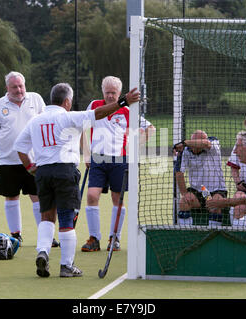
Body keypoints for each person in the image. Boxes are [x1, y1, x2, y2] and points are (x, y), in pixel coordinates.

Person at [14, 83, 140, 277]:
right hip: (65, 171)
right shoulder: (68, 116)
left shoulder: (35, 120)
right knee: (66, 219)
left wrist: (30, 167)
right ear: (66, 102)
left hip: (43, 173)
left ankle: (43, 252)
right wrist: (123, 101)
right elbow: (98, 113)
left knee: (47, 217)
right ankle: (66, 265)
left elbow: (20, 146)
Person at [81, 76, 155, 252]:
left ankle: (115, 238)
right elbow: (83, 128)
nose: (110, 96)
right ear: (102, 91)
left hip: (119, 160)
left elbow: (150, 129)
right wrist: (86, 155)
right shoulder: (94, 105)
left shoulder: (129, 110)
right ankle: (94, 239)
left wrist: (133, 146)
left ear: (120, 93)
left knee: (118, 200)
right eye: (107, 92)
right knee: (92, 196)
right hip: (98, 159)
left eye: (113, 93)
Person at [0, 71, 58, 246]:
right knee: (11, 197)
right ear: (7, 88)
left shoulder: (36, 99)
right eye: (14, 87)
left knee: (38, 196)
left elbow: (46, 124)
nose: (19, 90)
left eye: (21, 86)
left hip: (34, 160)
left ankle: (46, 237)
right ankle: (15, 235)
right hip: (8, 160)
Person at [174, 130, 227, 226]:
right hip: (198, 191)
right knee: (184, 202)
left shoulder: (213, 144)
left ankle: (213, 232)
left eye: (196, 144)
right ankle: (186, 232)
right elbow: (179, 173)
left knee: (214, 205)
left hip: (215, 190)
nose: (194, 148)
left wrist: (184, 143)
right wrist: (185, 194)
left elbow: (205, 143)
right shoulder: (185, 151)